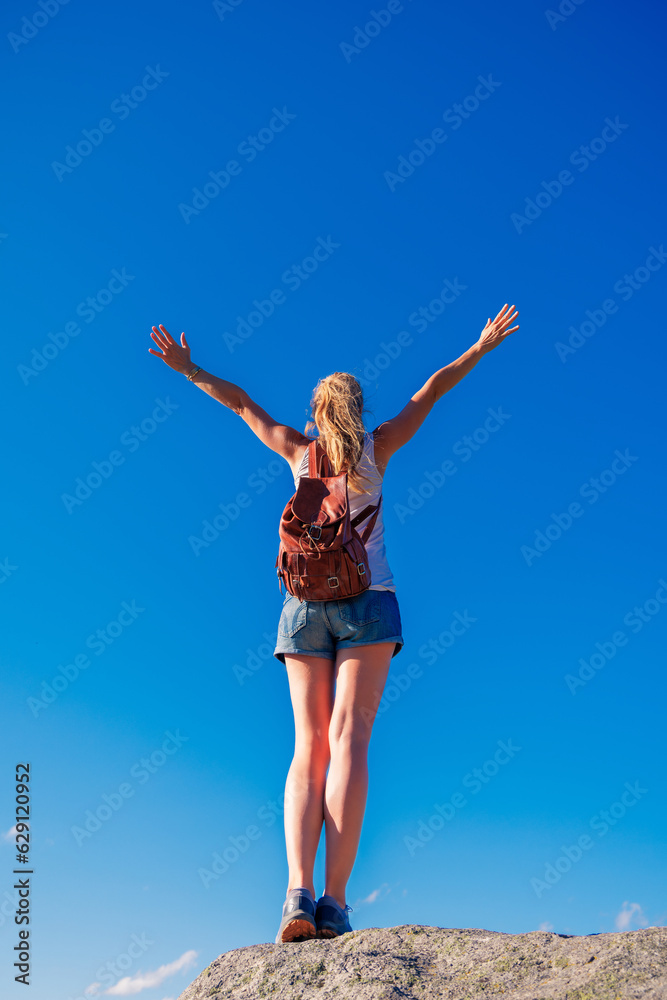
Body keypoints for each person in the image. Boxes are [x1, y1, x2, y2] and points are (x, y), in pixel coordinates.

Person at [148, 302, 519, 942]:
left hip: (302, 611)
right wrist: (480, 348)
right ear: (358, 409)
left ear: (319, 413)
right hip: (370, 602)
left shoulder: (297, 450)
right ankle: (334, 904)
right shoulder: (379, 448)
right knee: (348, 741)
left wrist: (189, 369)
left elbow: (241, 404)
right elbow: (430, 390)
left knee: (307, 745)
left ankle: (296, 892)